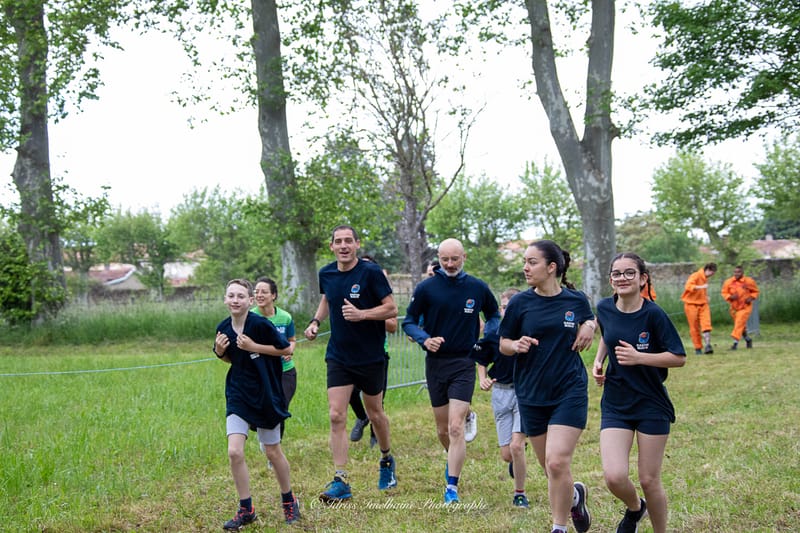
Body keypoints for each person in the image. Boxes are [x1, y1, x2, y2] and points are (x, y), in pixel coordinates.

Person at [498, 240, 595, 533]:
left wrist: (590, 325)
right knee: (550, 468)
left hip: (569, 390)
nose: (525, 268)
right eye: (524, 262)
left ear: (551, 267)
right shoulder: (519, 304)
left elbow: (589, 317)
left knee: (556, 463)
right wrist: (515, 345)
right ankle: (575, 497)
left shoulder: (575, 301)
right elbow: (503, 344)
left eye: (532, 262)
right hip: (531, 393)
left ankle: (559, 527)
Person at [592, 253, 687, 533]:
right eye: (617, 274)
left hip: (651, 403)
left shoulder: (654, 314)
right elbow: (608, 335)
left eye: (629, 273)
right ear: (611, 280)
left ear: (642, 278)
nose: (622, 278)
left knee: (649, 479)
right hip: (616, 402)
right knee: (614, 476)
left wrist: (639, 358)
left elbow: (678, 357)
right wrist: (600, 361)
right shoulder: (604, 308)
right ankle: (636, 508)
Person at [402, 238, 501, 505]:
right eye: (444, 259)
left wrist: (487, 337)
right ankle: (454, 452)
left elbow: (493, 315)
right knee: (443, 430)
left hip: (464, 361)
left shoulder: (477, 287)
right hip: (435, 363)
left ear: (464, 257)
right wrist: (424, 338)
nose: (449, 264)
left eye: (454, 259)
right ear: (439, 257)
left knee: (456, 428)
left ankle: (452, 487)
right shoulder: (426, 288)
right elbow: (409, 321)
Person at [304, 225, 399, 503]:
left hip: (370, 356)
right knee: (336, 415)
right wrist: (315, 321)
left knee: (376, 413)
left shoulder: (370, 273)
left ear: (357, 244)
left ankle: (386, 459)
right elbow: (327, 299)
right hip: (339, 356)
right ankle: (341, 479)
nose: (343, 245)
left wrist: (363, 314)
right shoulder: (327, 273)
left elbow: (391, 309)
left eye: (348, 241)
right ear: (331, 246)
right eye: (338, 241)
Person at [213, 279, 300, 529]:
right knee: (234, 451)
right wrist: (219, 352)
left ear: (250, 301)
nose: (235, 300)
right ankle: (246, 509)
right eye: (231, 295)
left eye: (241, 296)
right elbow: (229, 358)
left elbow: (285, 350)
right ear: (225, 299)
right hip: (238, 393)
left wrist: (254, 346)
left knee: (272, 450)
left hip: (266, 393)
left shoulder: (260, 325)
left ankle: (288, 500)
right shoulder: (223, 328)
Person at [472, 287, 530, 508]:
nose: (509, 310)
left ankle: (520, 493)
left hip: (523, 392)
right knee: (508, 455)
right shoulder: (493, 331)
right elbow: (481, 359)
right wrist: (482, 379)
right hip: (500, 393)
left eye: (513, 306)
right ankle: (519, 451)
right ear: (500, 308)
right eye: (506, 306)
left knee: (515, 446)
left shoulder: (529, 330)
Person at [348, 254, 398, 448]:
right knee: (351, 393)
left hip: (377, 353)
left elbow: (393, 326)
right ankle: (362, 418)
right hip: (351, 353)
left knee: (377, 399)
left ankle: (375, 436)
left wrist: (366, 315)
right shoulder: (352, 292)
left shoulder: (380, 296)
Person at [251, 277, 297, 438]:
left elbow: (292, 341)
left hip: (285, 371)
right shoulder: (250, 317)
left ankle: (275, 448)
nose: (259, 295)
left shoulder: (285, 317)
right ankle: (264, 437)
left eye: (264, 292)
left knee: (280, 407)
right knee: (261, 409)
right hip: (261, 372)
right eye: (256, 292)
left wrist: (289, 350)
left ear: (274, 296)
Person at [680, 262, 717, 355]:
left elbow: (700, 292)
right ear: (708, 270)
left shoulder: (705, 278)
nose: (711, 276)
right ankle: (698, 348)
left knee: (706, 324)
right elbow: (688, 287)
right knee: (694, 327)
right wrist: (701, 287)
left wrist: (706, 296)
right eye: (712, 273)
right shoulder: (696, 276)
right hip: (691, 305)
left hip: (703, 304)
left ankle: (708, 345)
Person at [720, 265, 759, 350]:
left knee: (739, 323)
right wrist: (730, 297)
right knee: (741, 325)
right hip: (734, 308)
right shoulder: (728, 282)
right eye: (735, 272)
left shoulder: (749, 281)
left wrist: (751, 298)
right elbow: (724, 292)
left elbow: (755, 291)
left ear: (742, 273)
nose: (736, 274)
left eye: (739, 272)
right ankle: (748, 339)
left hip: (745, 307)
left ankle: (735, 344)